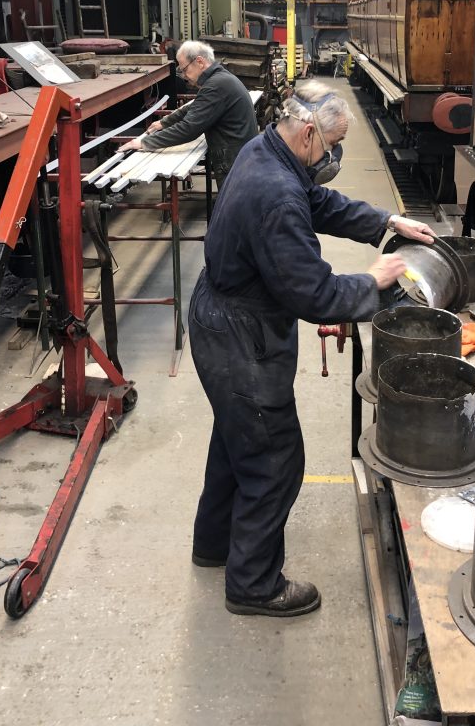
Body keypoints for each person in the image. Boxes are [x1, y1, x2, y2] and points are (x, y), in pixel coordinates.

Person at [188, 81, 436, 618]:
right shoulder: (275, 192)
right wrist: (372, 282)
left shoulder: (269, 151)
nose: (337, 156)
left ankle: (213, 546)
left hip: (221, 317)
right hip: (240, 335)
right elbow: (315, 294)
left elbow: (317, 201)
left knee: (238, 440)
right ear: (306, 133)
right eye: (333, 144)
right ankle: (253, 585)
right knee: (275, 457)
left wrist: (386, 223)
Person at [119, 40, 257, 189]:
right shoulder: (220, 78)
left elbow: (188, 129)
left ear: (199, 62)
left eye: (184, 69)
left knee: (234, 207)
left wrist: (144, 142)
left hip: (234, 162)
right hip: (241, 156)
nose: (184, 76)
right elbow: (196, 105)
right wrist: (164, 122)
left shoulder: (216, 85)